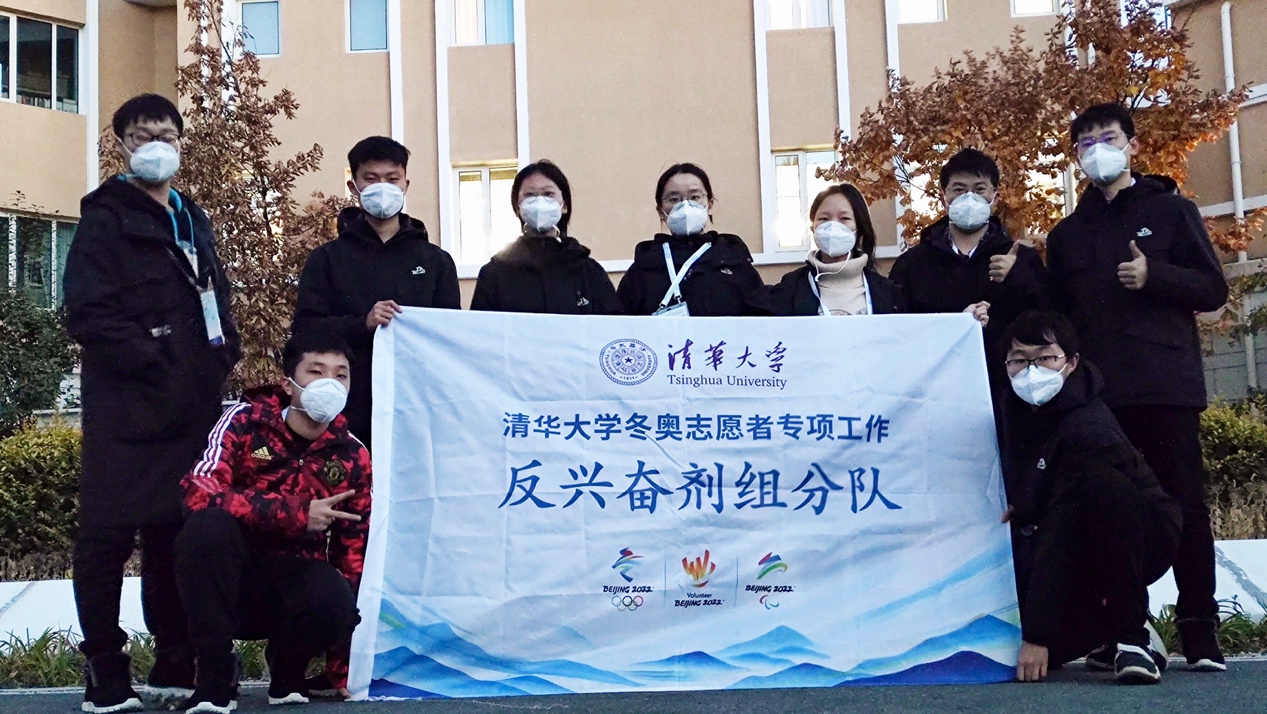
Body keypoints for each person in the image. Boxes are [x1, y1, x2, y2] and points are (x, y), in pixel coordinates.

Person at [63, 93, 241, 714]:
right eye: (142, 136)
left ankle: (175, 656)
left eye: (166, 133)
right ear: (122, 146)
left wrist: (225, 352)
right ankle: (105, 669)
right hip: (127, 410)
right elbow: (88, 313)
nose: (156, 145)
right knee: (107, 538)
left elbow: (214, 294)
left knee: (176, 536)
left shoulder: (193, 218)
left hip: (192, 406)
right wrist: (153, 359)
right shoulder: (105, 218)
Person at [1046, 102, 1230, 671]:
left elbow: (1213, 289)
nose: (1098, 150)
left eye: (1109, 138)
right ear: (1076, 157)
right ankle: (1122, 631)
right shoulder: (1067, 235)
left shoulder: (1172, 211)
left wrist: (1155, 276)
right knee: (1110, 512)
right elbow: (1058, 316)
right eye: (1086, 143)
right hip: (1099, 398)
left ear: (1131, 145)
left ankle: (1199, 628)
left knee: (1185, 505)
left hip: (1165, 386)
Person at [175, 333, 370, 713]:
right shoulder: (243, 422)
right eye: (316, 372)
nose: (329, 384)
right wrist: (297, 513)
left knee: (338, 599)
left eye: (340, 375)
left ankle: (289, 664)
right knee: (206, 529)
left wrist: (344, 671)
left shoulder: (353, 454)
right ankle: (215, 673)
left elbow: (354, 555)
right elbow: (198, 491)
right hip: (232, 577)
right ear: (288, 384)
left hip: (296, 581)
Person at [1000, 311, 1180, 685]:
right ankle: (1108, 625)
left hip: (1141, 534)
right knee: (1047, 651)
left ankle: (1131, 637)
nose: (1031, 371)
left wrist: (1037, 635)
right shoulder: (1013, 411)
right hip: (1063, 533)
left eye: (1045, 358)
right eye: (1019, 360)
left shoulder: (1089, 429)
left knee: (1099, 491)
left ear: (1071, 362)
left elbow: (1062, 529)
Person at [294, 136, 460, 448]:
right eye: (370, 179)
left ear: (406, 184)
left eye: (392, 179)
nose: (382, 187)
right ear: (353, 186)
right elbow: (305, 331)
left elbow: (451, 337)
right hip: (347, 408)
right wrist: (364, 323)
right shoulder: (327, 259)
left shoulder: (435, 261)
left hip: (417, 405)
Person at [887, 148, 1047, 348]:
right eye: (959, 190)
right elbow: (896, 330)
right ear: (944, 198)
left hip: (1000, 367)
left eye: (979, 190)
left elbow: (1047, 321)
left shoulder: (1020, 258)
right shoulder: (913, 263)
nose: (969, 198)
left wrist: (1017, 276)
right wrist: (955, 323)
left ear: (995, 198)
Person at [470, 160, 621, 314]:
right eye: (529, 195)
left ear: (564, 205)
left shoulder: (588, 272)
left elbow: (613, 324)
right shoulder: (494, 274)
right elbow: (479, 326)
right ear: (518, 206)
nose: (539, 202)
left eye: (548, 194)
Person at [617, 163, 768, 316]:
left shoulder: (733, 260)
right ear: (661, 211)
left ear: (709, 205)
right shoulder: (644, 266)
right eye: (674, 199)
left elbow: (760, 319)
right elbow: (620, 322)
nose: (685, 206)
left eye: (695, 197)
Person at [767, 184, 902, 316]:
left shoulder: (888, 293)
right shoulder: (790, 289)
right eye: (824, 219)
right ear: (813, 227)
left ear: (859, 227)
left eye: (844, 218)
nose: (833, 226)